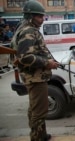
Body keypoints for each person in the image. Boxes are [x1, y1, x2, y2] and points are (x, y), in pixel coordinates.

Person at [10, 1, 59, 141]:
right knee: (39, 112)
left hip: (34, 76)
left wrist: (50, 61)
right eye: (39, 16)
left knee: (35, 109)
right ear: (30, 16)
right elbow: (25, 57)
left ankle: (41, 135)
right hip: (36, 77)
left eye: (42, 16)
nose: (42, 19)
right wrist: (47, 63)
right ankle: (37, 138)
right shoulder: (29, 31)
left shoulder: (24, 28)